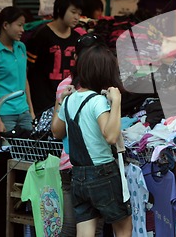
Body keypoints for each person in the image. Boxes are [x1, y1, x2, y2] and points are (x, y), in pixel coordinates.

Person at [51, 44, 132, 237]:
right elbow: (111, 136)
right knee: (123, 230)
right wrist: (117, 102)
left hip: (78, 174)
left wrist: (60, 101)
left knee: (85, 232)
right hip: (103, 173)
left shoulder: (70, 99)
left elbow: (56, 131)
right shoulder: (97, 101)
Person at [51, 33, 106, 237]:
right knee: (73, 228)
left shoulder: (102, 85)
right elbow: (57, 131)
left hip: (89, 166)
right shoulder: (68, 87)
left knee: (88, 228)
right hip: (78, 166)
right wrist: (62, 102)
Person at [27, 0, 82, 116]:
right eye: (73, 12)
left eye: (79, 13)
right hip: (42, 102)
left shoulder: (77, 37)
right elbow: (28, 70)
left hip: (68, 100)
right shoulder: (41, 35)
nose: (77, 17)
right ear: (59, 10)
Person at [0, 6, 35, 136]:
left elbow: (24, 80)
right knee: (5, 154)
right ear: (5, 25)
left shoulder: (21, 47)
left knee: (29, 152)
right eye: (19, 25)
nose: (22, 30)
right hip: (4, 113)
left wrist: (30, 110)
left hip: (23, 111)